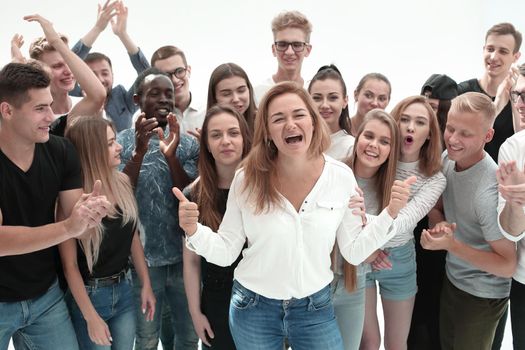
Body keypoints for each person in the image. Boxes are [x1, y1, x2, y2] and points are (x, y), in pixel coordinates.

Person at [175, 82, 413, 350]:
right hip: (253, 309)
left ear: (313, 121)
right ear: (267, 132)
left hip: (315, 308)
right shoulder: (247, 179)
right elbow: (227, 251)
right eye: (279, 118)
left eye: (298, 115)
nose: (290, 124)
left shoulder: (340, 177)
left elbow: (354, 252)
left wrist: (390, 213)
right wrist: (194, 230)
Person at [0, 60, 110, 348]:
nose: (52, 116)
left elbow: (77, 225)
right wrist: (69, 226)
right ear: (7, 110)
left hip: (45, 296)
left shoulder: (61, 151)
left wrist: (88, 218)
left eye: (50, 105)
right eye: (40, 108)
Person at [421, 92, 516, 350]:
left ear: (488, 137)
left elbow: (508, 265)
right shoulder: (447, 160)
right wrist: (439, 224)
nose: (453, 139)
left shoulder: (487, 194)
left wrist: (451, 246)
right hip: (454, 279)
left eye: (465, 134)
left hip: (483, 295)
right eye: (451, 128)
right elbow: (437, 207)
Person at [118, 67, 199, 350]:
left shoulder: (188, 143)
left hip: (183, 259)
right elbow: (119, 194)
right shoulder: (121, 142)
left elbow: (190, 194)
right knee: (148, 338)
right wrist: (139, 152)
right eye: (155, 94)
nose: (165, 99)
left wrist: (173, 155)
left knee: (188, 336)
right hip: (142, 263)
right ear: (138, 99)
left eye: (169, 93)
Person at [59, 117, 156, 349]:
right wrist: (90, 316)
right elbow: (69, 266)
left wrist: (146, 283)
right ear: (92, 150)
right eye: (111, 143)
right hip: (90, 295)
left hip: (124, 289)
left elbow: (132, 237)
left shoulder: (122, 181)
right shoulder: (72, 199)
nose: (120, 146)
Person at [360, 97, 446, 350]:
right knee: (368, 342)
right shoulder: (379, 155)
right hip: (361, 254)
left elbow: (406, 221)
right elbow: (353, 210)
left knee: (397, 344)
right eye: (405, 119)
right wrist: (368, 248)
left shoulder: (434, 179)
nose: (410, 127)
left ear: (429, 134)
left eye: (419, 122)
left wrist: (374, 238)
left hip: (399, 260)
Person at [330, 109, 403, 350]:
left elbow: (375, 248)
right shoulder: (334, 173)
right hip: (319, 281)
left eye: (384, 141)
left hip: (354, 284)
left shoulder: (390, 191)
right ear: (357, 137)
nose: (374, 145)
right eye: (369, 136)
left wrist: (365, 223)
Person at [183, 105, 252, 349]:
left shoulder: (262, 188)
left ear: (245, 139)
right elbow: (191, 261)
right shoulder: (193, 194)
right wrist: (195, 313)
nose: (226, 141)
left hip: (262, 303)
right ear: (207, 145)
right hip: (215, 301)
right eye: (216, 135)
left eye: (233, 133)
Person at [19, 14, 106, 138]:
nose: (68, 71)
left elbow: (99, 95)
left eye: (69, 62)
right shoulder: (35, 118)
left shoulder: (85, 105)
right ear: (39, 72)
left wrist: (57, 42)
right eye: (57, 66)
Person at [71, 0, 150, 132]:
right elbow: (68, 64)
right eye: (92, 74)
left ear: (112, 76)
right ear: (80, 77)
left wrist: (123, 35)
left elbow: (147, 75)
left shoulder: (122, 99)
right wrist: (97, 29)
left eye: (105, 73)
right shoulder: (72, 96)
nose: (100, 80)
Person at [457, 22, 522, 162]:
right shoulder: (462, 92)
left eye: (503, 51)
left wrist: (514, 96)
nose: (493, 57)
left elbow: (522, 141)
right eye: (490, 49)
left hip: (504, 179)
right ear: (483, 49)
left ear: (516, 57)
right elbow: (460, 138)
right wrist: (497, 105)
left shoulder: (519, 99)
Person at [254, 11, 313, 104]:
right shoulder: (256, 94)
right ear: (273, 49)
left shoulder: (314, 93)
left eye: (297, 45)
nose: (289, 52)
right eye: (282, 44)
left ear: (308, 50)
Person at [150, 45, 205, 136]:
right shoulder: (145, 119)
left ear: (188, 71)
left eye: (179, 71)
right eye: (166, 75)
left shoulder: (209, 111)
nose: (175, 80)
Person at [308, 64, 355, 161]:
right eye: (317, 98)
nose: (325, 105)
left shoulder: (350, 147)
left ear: (345, 101)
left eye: (333, 98)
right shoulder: (300, 141)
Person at [206, 63, 257, 133]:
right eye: (226, 94)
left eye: (241, 91)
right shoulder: (208, 132)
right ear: (214, 97)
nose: (236, 99)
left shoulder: (265, 123)